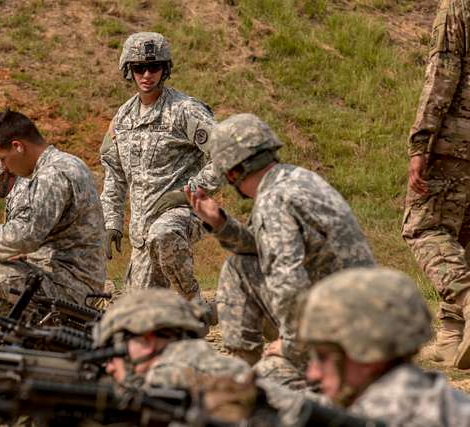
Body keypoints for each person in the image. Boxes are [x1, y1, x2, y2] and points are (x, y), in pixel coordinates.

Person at [185, 113, 374, 374]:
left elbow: (288, 281)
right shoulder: (297, 179)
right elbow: (261, 251)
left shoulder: (273, 200)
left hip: (341, 340)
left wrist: (292, 347)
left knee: (254, 398)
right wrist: (220, 224)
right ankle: (247, 364)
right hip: (361, 320)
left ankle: (244, 374)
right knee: (240, 266)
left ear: (233, 172)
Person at [0, 109, 106, 313]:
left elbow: (26, 234)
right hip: (72, 278)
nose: (5, 167)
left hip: (66, 285)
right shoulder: (66, 164)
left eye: (2, 158)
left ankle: (34, 332)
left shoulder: (52, 174)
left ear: (18, 147)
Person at [100, 32, 220, 300]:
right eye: (139, 68)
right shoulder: (122, 118)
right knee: (140, 315)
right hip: (142, 233)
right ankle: (199, 317)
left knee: (163, 233)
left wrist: (189, 192)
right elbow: (114, 175)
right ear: (128, 71)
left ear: (165, 70)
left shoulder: (184, 110)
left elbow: (226, 154)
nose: (146, 75)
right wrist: (112, 222)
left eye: (154, 67)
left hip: (182, 214)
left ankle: (194, 301)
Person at [300, 267, 470, 426]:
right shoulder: (447, 402)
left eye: (323, 357)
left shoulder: (379, 417)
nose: (313, 373)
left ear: (367, 355)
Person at [401, 0, 470, 369]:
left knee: (423, 227)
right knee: (462, 232)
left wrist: (421, 142)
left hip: (456, 141)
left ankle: (466, 300)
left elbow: (443, 72)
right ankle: (451, 336)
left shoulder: (457, 5)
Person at [94, 288, 251, 391]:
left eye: (114, 349)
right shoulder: (233, 374)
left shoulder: (171, 381)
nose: (109, 368)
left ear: (148, 339)